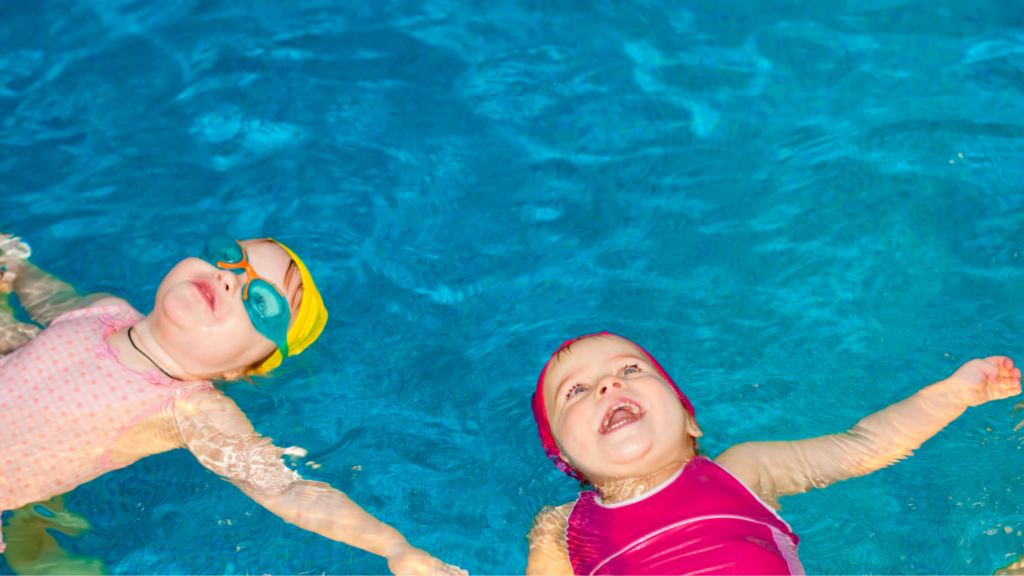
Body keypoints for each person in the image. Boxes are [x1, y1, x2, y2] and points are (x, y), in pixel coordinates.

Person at [0, 233, 464, 576]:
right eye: (231, 258)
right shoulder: (102, 309)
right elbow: (48, 304)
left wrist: (394, 547)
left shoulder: (191, 410)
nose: (229, 280)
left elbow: (283, 489)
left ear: (241, 370)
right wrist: (15, 268)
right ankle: (39, 539)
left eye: (260, 301)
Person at [526, 332, 1021, 575]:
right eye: (575, 392)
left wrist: (955, 393)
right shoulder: (559, 528)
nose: (609, 383)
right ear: (566, 460)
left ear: (690, 421)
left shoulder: (743, 470)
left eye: (632, 370)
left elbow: (864, 446)